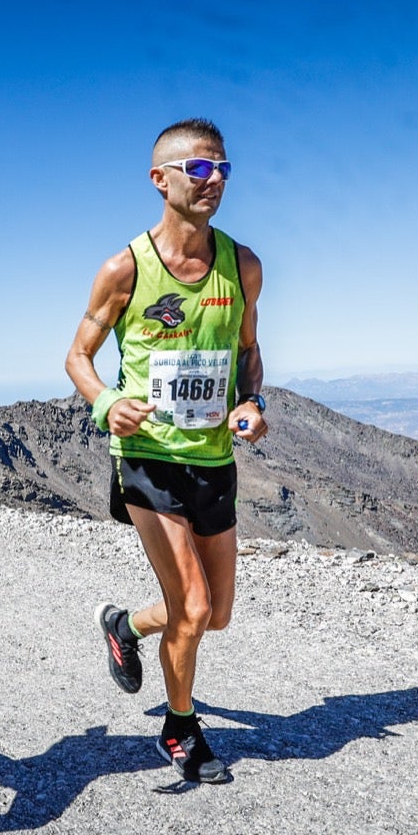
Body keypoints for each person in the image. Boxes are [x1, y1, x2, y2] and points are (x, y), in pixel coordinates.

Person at [66, 118, 267, 783]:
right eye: (199, 169)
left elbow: (248, 355)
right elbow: (79, 356)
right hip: (148, 456)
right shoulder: (125, 267)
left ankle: (123, 625)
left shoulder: (243, 265)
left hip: (213, 458)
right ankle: (181, 729)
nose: (214, 182)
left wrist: (251, 404)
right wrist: (105, 403)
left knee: (218, 613)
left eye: (223, 170)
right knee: (194, 606)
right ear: (161, 179)